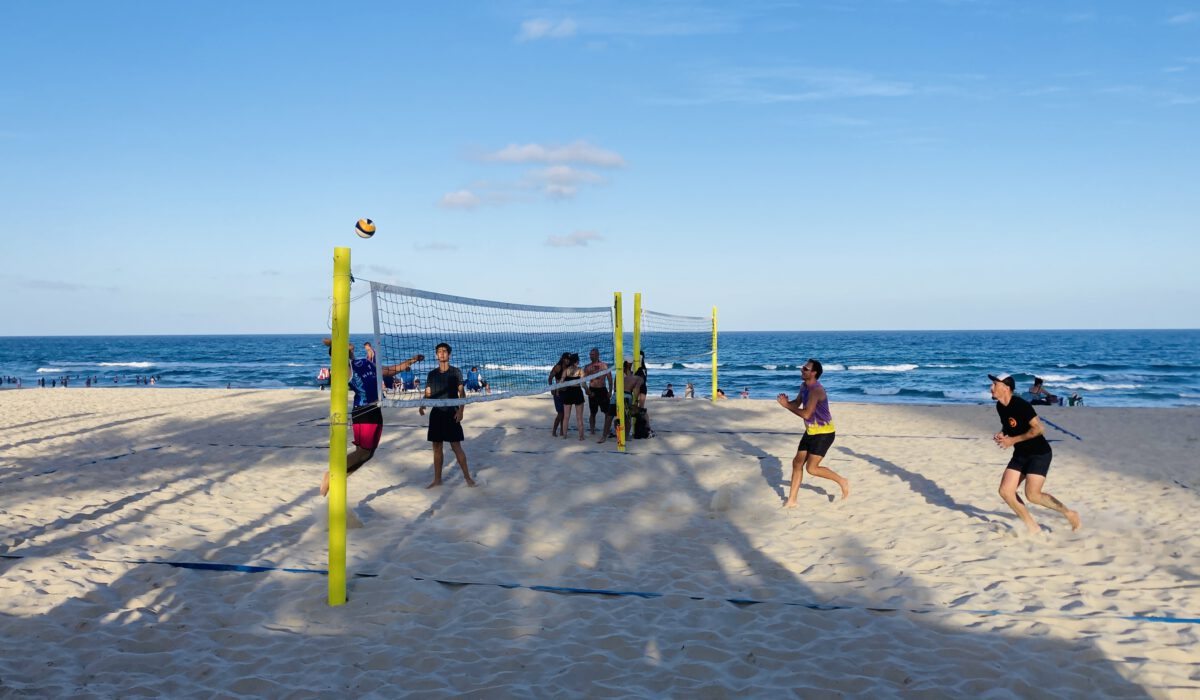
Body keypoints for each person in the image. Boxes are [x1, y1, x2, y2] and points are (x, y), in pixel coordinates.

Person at [318, 341, 422, 497]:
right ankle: (331, 473)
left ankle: (338, 477)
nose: (350, 347)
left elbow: (389, 371)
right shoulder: (344, 369)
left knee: (366, 453)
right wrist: (334, 344)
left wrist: (411, 361)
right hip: (364, 410)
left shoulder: (365, 362)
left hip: (373, 409)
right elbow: (339, 355)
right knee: (365, 451)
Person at [989, 373, 1081, 534]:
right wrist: (1003, 433)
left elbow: (1039, 429)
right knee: (1005, 492)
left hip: (1039, 453)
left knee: (1033, 495)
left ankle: (1069, 513)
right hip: (1020, 454)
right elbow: (1009, 425)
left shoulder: (1021, 405)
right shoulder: (1000, 406)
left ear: (1006, 388)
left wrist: (1012, 440)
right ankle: (1033, 527)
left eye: (995, 385)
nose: (991, 388)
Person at [777, 359, 849, 505]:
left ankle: (842, 481)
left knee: (812, 468)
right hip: (811, 431)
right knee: (797, 463)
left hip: (824, 433)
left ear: (814, 373)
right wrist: (787, 402)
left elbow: (806, 414)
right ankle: (792, 500)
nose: (802, 370)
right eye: (802, 367)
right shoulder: (804, 386)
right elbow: (797, 404)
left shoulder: (816, 390)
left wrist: (786, 406)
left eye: (805, 368)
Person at [420, 343, 475, 488]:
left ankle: (468, 479)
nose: (442, 354)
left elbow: (461, 393)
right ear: (436, 355)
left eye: (444, 351)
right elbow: (428, 392)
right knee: (436, 447)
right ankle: (437, 480)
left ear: (449, 354)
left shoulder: (455, 372)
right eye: (439, 351)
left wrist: (461, 411)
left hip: (452, 413)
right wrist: (422, 403)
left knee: (456, 447)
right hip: (436, 413)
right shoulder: (431, 374)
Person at [583, 347, 614, 437]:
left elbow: (610, 379)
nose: (590, 356)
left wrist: (610, 391)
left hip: (602, 390)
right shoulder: (588, 367)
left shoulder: (604, 366)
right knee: (593, 412)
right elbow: (583, 381)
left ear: (597, 355)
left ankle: (606, 429)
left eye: (592, 354)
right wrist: (587, 391)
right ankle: (592, 430)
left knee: (607, 412)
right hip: (592, 390)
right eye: (590, 355)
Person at [559, 353, 586, 441]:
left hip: (568, 393)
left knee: (566, 417)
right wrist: (588, 391)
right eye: (578, 360)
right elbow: (583, 383)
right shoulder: (580, 370)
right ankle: (581, 437)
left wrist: (559, 390)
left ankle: (564, 436)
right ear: (576, 361)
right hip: (577, 392)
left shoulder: (566, 370)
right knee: (579, 417)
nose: (579, 362)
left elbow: (561, 384)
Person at [549, 352, 571, 436]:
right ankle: (554, 431)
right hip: (558, 393)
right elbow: (550, 378)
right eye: (566, 359)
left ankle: (562, 431)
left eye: (569, 359)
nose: (568, 360)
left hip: (566, 392)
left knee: (565, 413)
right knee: (560, 413)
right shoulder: (558, 367)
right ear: (563, 359)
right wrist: (551, 388)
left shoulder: (569, 368)